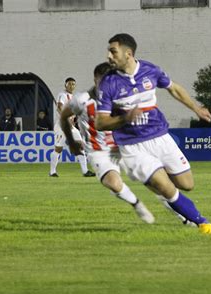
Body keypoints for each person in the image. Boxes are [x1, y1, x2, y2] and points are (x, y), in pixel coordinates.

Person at [96, 34, 211, 234]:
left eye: (113, 51)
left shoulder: (150, 70)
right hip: (132, 145)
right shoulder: (108, 83)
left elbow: (174, 88)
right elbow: (100, 122)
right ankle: (201, 221)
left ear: (128, 53)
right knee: (166, 188)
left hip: (160, 138)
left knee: (187, 184)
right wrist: (124, 119)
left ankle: (154, 177)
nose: (108, 55)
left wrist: (196, 108)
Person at [61, 62, 154, 224]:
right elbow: (63, 116)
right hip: (99, 151)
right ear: (95, 80)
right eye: (101, 81)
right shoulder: (82, 100)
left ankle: (183, 214)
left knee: (155, 180)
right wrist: (71, 141)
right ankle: (136, 204)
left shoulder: (123, 96)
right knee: (113, 183)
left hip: (124, 145)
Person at [50, 77, 95, 177]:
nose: (71, 86)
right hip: (62, 125)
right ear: (65, 85)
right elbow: (59, 107)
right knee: (58, 149)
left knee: (80, 146)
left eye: (73, 84)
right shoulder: (62, 94)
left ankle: (85, 171)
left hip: (71, 126)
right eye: (69, 84)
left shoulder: (73, 97)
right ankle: (52, 171)